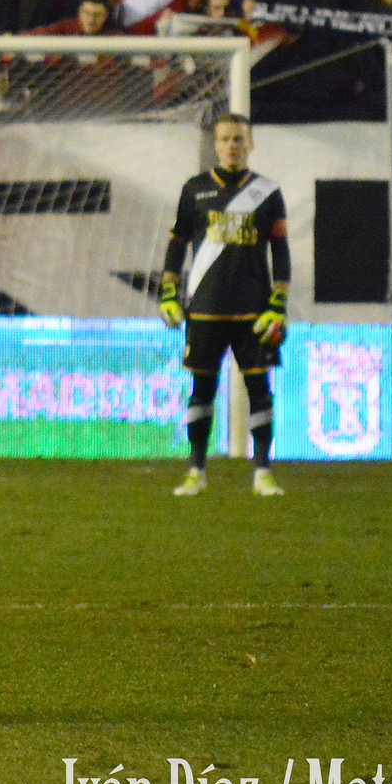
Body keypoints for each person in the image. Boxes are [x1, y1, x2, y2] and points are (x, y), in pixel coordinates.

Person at [158, 114, 289, 499]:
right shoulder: (194, 189)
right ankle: (196, 470)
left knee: (259, 388)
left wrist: (278, 303)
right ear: (215, 145)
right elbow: (177, 242)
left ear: (251, 143)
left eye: (239, 139)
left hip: (253, 310)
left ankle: (263, 472)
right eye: (225, 139)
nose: (232, 145)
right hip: (205, 308)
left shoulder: (267, 191)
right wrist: (168, 292)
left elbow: (280, 251)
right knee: (202, 389)